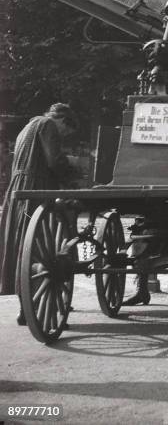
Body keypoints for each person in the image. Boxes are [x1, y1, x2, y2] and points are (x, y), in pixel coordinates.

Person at [0, 103, 79, 325]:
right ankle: (34, 308)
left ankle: (25, 308)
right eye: (66, 132)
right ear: (62, 121)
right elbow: (54, 162)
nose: (63, 136)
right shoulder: (48, 125)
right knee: (39, 250)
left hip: (19, 189)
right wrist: (71, 166)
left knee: (22, 250)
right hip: (36, 188)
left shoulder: (28, 126)